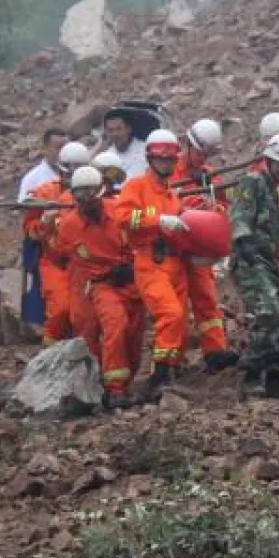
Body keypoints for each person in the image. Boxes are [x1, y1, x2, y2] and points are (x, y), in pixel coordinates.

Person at [54, 166, 144, 409]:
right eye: (80, 194)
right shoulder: (68, 226)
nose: (86, 200)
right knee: (116, 324)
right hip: (101, 284)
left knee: (134, 334)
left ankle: (124, 383)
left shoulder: (118, 211)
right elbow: (63, 258)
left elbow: (139, 237)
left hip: (131, 279)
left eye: (90, 193)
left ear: (100, 191)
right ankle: (114, 390)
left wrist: (133, 264)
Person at [115, 130, 189, 392]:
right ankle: (159, 373)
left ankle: (170, 370)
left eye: (170, 160)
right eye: (161, 159)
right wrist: (157, 221)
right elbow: (122, 216)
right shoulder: (136, 186)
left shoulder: (171, 195)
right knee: (171, 313)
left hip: (174, 261)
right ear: (150, 159)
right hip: (149, 260)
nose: (166, 164)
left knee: (179, 318)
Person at [230, 133, 279, 399]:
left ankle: (276, 379)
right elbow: (240, 212)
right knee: (269, 312)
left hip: (268, 261)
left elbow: (271, 230)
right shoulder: (253, 180)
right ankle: (252, 371)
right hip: (251, 259)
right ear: (270, 161)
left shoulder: (272, 190)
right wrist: (242, 239)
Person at [173, 118, 239, 372]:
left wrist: (215, 208)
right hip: (175, 252)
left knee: (207, 301)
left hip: (199, 252)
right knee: (175, 310)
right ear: (188, 145)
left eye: (207, 154)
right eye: (201, 152)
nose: (203, 158)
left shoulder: (210, 176)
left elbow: (225, 205)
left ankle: (215, 351)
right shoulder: (170, 174)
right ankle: (172, 362)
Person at [22, 141, 90, 347]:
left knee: (84, 317)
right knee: (59, 310)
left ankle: (84, 358)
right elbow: (29, 231)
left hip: (84, 263)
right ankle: (49, 355)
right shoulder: (44, 193)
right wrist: (44, 222)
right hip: (54, 261)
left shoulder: (94, 192)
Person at [17, 128, 70, 336]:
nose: (60, 152)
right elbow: (26, 212)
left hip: (71, 243)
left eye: (64, 147)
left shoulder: (76, 173)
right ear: (45, 148)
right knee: (44, 289)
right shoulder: (35, 179)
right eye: (57, 147)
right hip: (43, 241)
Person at [98, 112, 149, 179]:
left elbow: (132, 180)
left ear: (129, 129)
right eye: (110, 130)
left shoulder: (145, 151)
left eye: (119, 129)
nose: (115, 134)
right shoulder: (107, 155)